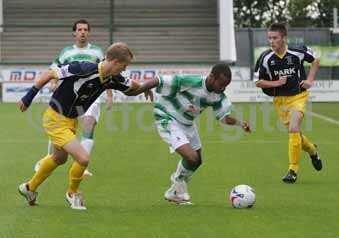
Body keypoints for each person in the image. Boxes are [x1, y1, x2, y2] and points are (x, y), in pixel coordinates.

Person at [18, 42, 146, 210]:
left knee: (59, 158)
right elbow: (50, 74)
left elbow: (132, 87)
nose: (124, 70)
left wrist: (147, 87)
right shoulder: (84, 68)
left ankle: (29, 188)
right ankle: (72, 193)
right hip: (55, 119)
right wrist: (28, 96)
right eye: (124, 66)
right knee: (83, 158)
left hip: (70, 120)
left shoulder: (112, 78)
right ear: (114, 62)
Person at [128, 63, 251, 204]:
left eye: (226, 86)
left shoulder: (218, 96)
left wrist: (241, 124)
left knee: (197, 161)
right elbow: (159, 80)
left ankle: (174, 192)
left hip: (186, 123)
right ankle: (177, 182)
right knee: (191, 157)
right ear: (212, 77)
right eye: (221, 84)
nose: (222, 88)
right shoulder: (192, 81)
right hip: (167, 117)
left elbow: (224, 118)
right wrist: (139, 90)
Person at [34, 19, 112, 177]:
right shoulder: (66, 52)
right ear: (74, 33)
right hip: (69, 97)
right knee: (62, 128)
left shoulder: (97, 52)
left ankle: (81, 165)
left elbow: (107, 72)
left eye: (85, 29)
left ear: (88, 32)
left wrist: (109, 94)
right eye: (79, 29)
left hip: (91, 95)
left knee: (89, 124)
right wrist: (54, 82)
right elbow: (55, 68)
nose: (82, 32)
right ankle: (47, 158)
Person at [254, 23, 322, 183]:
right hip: (280, 101)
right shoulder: (265, 58)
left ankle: (293, 170)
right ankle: (312, 150)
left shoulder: (297, 51)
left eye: (275, 38)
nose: (272, 41)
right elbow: (258, 82)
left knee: (293, 128)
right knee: (295, 134)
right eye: (269, 38)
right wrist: (276, 83)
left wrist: (310, 80)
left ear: (284, 38)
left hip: (298, 96)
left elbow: (316, 60)